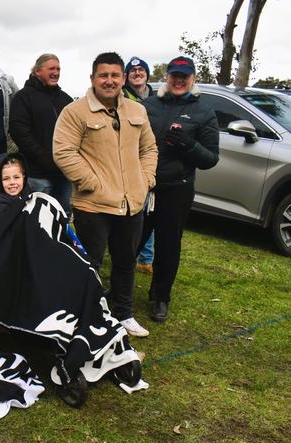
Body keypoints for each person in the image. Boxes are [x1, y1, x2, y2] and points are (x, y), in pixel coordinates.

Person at [53, 52, 157, 338]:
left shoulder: (137, 112)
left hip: (131, 204)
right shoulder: (75, 112)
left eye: (114, 75)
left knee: (125, 262)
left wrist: (145, 180)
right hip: (93, 204)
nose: (109, 81)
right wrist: (91, 182)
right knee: (90, 264)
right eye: (103, 75)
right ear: (92, 78)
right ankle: (83, 314)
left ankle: (123, 313)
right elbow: (63, 152)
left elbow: (149, 149)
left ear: (123, 78)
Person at [141, 56, 219, 322]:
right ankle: (118, 292)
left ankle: (160, 297)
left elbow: (210, 159)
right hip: (144, 185)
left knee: (168, 245)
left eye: (184, 76)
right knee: (129, 241)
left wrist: (187, 143)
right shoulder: (148, 105)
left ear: (193, 79)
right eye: (174, 75)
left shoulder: (203, 112)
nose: (178, 80)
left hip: (177, 189)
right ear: (167, 77)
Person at [9, 53, 73, 216]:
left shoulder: (66, 100)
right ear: (37, 71)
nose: (56, 72)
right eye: (51, 68)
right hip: (37, 174)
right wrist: (45, 159)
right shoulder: (23, 98)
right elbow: (20, 133)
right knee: (38, 217)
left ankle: (59, 243)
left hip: (64, 174)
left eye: (58, 68)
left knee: (62, 215)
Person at [123, 56, 155, 274]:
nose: (137, 73)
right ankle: (126, 252)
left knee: (149, 208)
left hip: (149, 157)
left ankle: (146, 258)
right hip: (126, 159)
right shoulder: (120, 95)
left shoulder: (158, 97)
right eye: (132, 70)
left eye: (140, 70)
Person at [0, 152, 32, 224]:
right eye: (6, 179)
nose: (12, 182)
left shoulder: (27, 192)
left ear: (23, 177)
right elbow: (8, 224)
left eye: (16, 177)